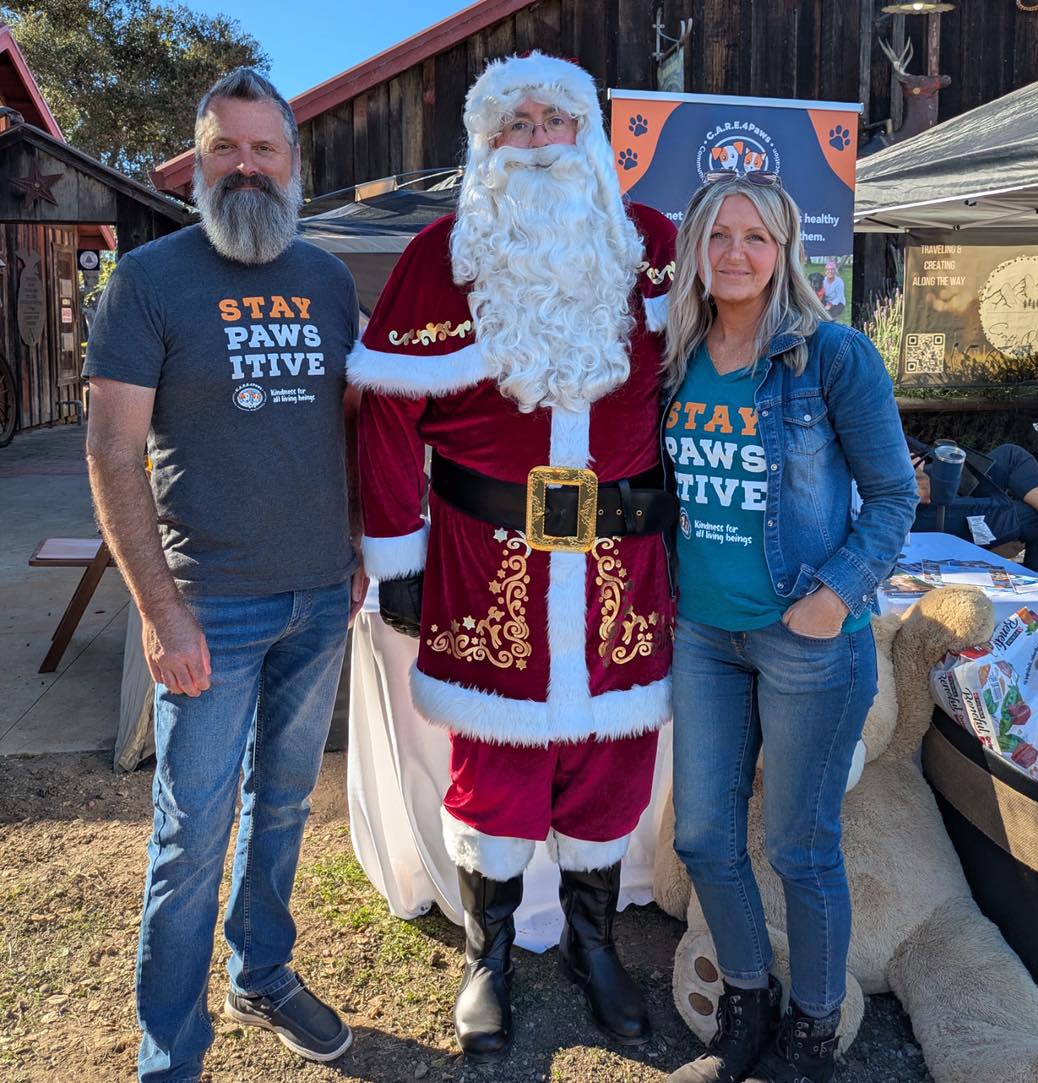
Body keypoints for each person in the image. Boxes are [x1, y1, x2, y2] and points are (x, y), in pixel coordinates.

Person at [348, 51, 678, 1061]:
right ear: (483, 145)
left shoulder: (652, 249)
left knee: (611, 764)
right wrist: (395, 556)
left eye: (554, 120)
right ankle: (486, 956)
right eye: (513, 123)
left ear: (588, 137)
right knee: (491, 771)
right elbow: (388, 421)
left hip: (622, 567)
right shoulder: (436, 256)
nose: (536, 140)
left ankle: (592, 942)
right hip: (485, 562)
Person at [84, 68, 365, 1082]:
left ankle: (263, 970)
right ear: (195, 162)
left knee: (284, 803)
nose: (245, 167)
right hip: (209, 605)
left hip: (319, 599)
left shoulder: (332, 282)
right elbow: (112, 456)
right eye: (224, 149)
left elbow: (348, 427)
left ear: (295, 164)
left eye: (263, 149)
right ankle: (173, 1051)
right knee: (188, 835)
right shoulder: (149, 282)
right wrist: (160, 615)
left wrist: (360, 549)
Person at [662, 173, 917, 1083]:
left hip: (807, 637)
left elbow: (894, 495)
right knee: (703, 837)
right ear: (694, 248)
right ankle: (746, 996)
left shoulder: (831, 356)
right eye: (719, 235)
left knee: (800, 845)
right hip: (703, 636)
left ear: (785, 253)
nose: (735, 253)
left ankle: (813, 1026)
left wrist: (839, 593)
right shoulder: (673, 354)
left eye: (756, 237)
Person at [910, 438, 1038, 572]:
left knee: (1010, 455)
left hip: (943, 488)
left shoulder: (887, 425)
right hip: (923, 512)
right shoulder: (885, 430)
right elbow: (921, 493)